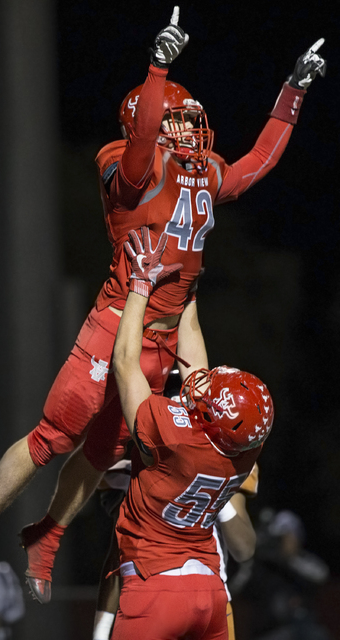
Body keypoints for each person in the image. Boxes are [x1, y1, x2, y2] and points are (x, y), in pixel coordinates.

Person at [0, 5, 326, 602]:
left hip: (170, 335)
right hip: (116, 324)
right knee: (52, 437)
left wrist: (293, 90)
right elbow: (145, 136)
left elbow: (257, 163)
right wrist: (157, 68)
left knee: (102, 452)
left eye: (189, 119)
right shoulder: (127, 167)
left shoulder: (202, 175)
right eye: (177, 120)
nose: (189, 129)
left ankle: (47, 536)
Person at [108, 227, 274, 639]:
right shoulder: (241, 450)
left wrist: (142, 285)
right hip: (210, 593)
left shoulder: (173, 435)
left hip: (155, 587)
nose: (204, 383)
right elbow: (195, 362)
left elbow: (126, 361)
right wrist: (186, 293)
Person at [92, 416, 260, 640]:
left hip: (202, 597)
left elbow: (244, 548)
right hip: (156, 590)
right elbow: (118, 555)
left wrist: (215, 487)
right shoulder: (132, 473)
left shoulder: (228, 460)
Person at [239, 508, 331, 640]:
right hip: (269, 628)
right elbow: (243, 588)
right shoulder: (263, 563)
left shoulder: (301, 561)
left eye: (289, 536)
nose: (287, 542)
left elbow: (321, 575)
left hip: (299, 625)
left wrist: (286, 559)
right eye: (282, 538)